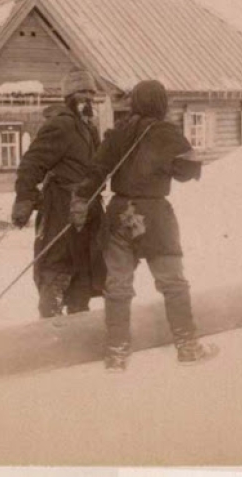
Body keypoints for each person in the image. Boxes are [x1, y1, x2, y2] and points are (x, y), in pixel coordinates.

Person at [71, 79, 216, 372]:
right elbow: (186, 172)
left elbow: (97, 171)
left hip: (120, 214)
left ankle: (116, 354)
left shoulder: (118, 132)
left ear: (135, 103)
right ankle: (187, 346)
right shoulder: (167, 133)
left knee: (118, 286)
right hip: (155, 217)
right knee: (172, 282)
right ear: (161, 105)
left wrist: (81, 199)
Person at [11, 69, 106, 318]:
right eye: (83, 94)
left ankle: (78, 320)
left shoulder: (88, 128)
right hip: (61, 209)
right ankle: (49, 322)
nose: (89, 100)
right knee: (57, 265)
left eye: (92, 95)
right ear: (70, 98)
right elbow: (32, 163)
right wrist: (24, 196)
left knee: (83, 266)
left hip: (88, 209)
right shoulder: (61, 125)